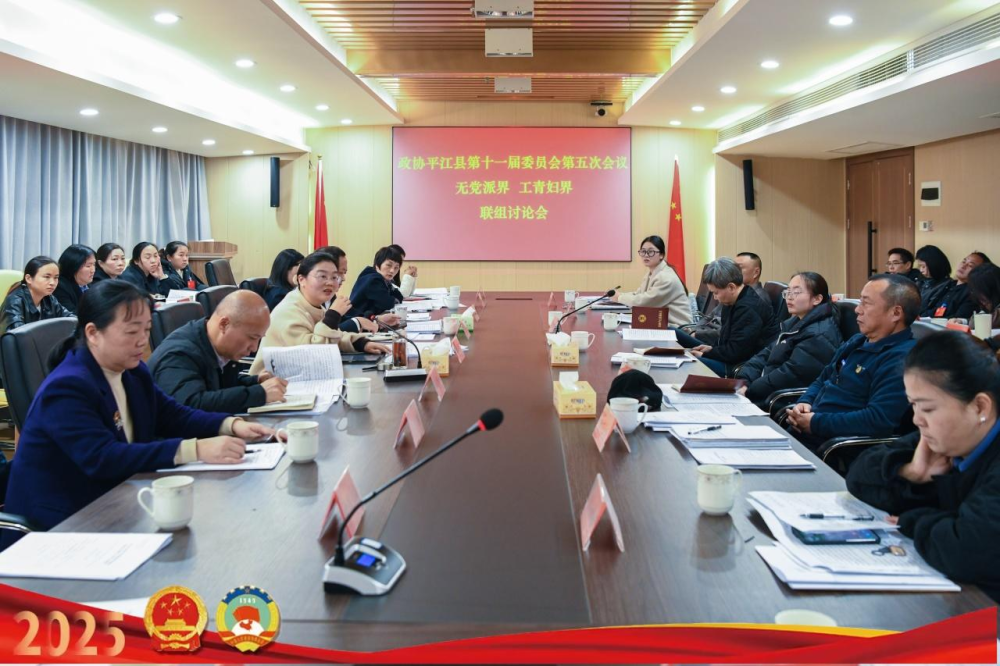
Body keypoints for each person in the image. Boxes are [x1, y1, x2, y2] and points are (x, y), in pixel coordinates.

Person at [1, 280, 273, 544]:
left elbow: (172, 415)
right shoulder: (67, 386)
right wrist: (196, 449)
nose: (143, 341)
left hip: (119, 503)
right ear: (93, 333)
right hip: (59, 526)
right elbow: (104, 458)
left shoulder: (132, 371)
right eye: (132, 332)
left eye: (147, 330)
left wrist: (230, 424)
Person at [846, 331, 1000, 602]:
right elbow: (858, 476)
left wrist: (912, 520)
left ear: (979, 407)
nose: (917, 420)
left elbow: (965, 550)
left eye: (927, 409)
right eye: (913, 406)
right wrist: (912, 473)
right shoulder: (942, 440)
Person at [786, 274, 919, 450]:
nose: (857, 309)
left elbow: (877, 419)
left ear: (895, 313)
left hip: (834, 448)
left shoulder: (902, 358)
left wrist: (815, 423)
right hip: (808, 430)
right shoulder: (858, 340)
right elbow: (824, 377)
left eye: (866, 303)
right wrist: (805, 402)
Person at [249, 251, 390, 374]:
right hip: (269, 386)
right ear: (301, 279)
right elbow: (313, 353)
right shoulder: (288, 310)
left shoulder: (313, 306)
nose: (330, 282)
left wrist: (361, 343)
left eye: (334, 277)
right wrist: (333, 315)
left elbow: (332, 336)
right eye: (322, 276)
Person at [149, 291, 287, 413]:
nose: (254, 348)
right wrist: (259, 393)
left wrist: (255, 382)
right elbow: (191, 405)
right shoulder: (179, 355)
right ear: (224, 324)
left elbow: (216, 387)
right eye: (252, 338)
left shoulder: (217, 346)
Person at [736, 272, 842, 406]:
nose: (789, 297)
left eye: (796, 292)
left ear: (817, 299)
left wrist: (750, 390)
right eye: (788, 292)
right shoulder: (794, 323)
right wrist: (744, 381)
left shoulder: (819, 335)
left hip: (780, 400)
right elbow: (765, 355)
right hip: (764, 392)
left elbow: (788, 375)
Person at [676, 257, 777, 377]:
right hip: (728, 357)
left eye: (716, 292)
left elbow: (735, 353)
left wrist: (707, 354)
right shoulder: (732, 300)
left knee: (685, 362)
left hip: (740, 366)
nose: (714, 297)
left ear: (731, 287)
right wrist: (710, 348)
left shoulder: (748, 309)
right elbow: (726, 340)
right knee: (673, 332)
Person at [612, 236, 692, 327]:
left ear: (661, 255)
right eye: (643, 251)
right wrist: (619, 295)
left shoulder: (666, 278)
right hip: (663, 324)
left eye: (650, 252)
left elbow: (644, 303)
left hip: (678, 329)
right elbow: (638, 294)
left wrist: (620, 298)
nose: (646, 255)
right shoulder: (651, 273)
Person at [687, 250, 764, 344]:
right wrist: (694, 330)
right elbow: (709, 317)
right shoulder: (731, 295)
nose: (734, 272)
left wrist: (697, 335)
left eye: (739, 268)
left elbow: (730, 336)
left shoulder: (757, 300)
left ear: (756, 272)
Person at [315, 245, 385, 333]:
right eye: (340, 272)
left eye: (344, 273)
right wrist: (357, 322)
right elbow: (321, 333)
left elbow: (343, 320)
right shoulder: (309, 300)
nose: (343, 278)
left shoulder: (331, 296)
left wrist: (376, 320)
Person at [0, 256, 73, 334]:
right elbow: (17, 335)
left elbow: (71, 319)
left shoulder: (49, 299)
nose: (52, 283)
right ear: (29, 278)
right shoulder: (14, 302)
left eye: (56, 278)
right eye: (47, 277)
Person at [343, 246, 410, 328]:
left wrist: (389, 284)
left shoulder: (381, 278)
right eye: (389, 265)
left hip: (368, 321)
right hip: (358, 324)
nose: (392, 270)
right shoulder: (373, 279)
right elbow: (387, 303)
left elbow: (399, 297)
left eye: (396, 267)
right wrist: (392, 298)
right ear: (377, 265)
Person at [923, 251, 990, 321]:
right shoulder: (948, 284)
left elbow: (957, 320)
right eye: (964, 261)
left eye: (970, 265)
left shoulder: (972, 294)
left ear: (979, 272)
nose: (963, 266)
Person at [52, 244, 96, 315]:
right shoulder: (60, 287)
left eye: (94, 264)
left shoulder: (90, 284)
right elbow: (72, 315)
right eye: (88, 266)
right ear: (73, 266)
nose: (93, 270)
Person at [915, 245, 953, 317]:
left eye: (923, 266)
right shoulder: (920, 281)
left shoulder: (947, 285)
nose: (921, 270)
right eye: (919, 266)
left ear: (934, 264)